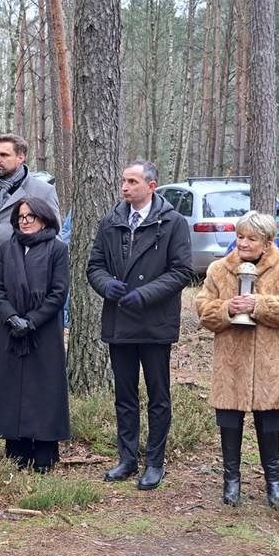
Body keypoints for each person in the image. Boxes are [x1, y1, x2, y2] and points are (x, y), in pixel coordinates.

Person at [86, 159, 193, 490]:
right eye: (123, 180)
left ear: (151, 186)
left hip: (155, 321)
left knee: (158, 396)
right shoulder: (110, 222)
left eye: (132, 181)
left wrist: (145, 294)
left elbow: (182, 271)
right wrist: (106, 285)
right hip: (120, 320)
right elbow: (95, 266)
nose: (125, 187)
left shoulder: (173, 222)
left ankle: (155, 462)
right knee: (125, 395)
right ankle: (127, 458)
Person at [196, 211, 279, 508]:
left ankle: (274, 481)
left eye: (251, 239)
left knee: (269, 422)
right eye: (240, 237)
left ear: (268, 243)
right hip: (231, 361)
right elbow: (204, 309)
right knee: (230, 422)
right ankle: (231, 481)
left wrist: (258, 304)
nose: (243, 243)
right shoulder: (219, 269)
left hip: (271, 362)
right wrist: (227, 309)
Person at [0, 134, 61, 433]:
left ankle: (32, 415)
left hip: (30, 292)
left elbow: (54, 234)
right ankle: (1, 414)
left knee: (32, 355)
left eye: (4, 155)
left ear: (21, 157)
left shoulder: (41, 190)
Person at [0, 198, 70, 472]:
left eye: (30, 216)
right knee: (12, 389)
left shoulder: (57, 249)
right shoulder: (7, 249)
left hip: (43, 331)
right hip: (10, 329)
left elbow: (59, 292)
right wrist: (12, 318)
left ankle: (44, 455)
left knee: (44, 389)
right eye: (20, 217)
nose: (24, 221)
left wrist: (32, 321)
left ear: (44, 220)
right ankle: (17, 452)